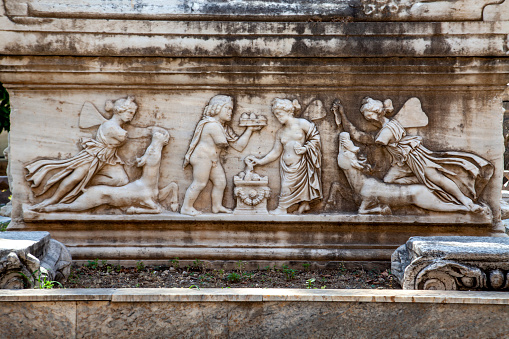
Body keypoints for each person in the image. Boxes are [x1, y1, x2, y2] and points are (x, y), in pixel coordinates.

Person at [334, 97, 493, 213]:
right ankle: (421, 190)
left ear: (377, 113)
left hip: (414, 156)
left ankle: (466, 201)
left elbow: (362, 138)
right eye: (367, 118)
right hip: (402, 163)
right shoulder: (385, 129)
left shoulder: (387, 131)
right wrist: (342, 115)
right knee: (389, 183)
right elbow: (359, 135)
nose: (369, 120)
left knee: (435, 177)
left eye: (369, 116)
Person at [26, 96, 138, 211]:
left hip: (109, 158)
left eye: (133, 113)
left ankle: (88, 184)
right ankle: (52, 200)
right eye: (130, 112)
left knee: (121, 180)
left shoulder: (115, 126)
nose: (131, 116)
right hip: (94, 156)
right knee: (75, 178)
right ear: (120, 110)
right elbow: (128, 136)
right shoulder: (111, 127)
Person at [181, 95, 261, 216]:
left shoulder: (222, 127)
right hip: (202, 158)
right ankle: (186, 207)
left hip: (213, 159)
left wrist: (249, 129)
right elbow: (222, 142)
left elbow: (239, 146)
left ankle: (217, 206)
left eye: (231, 109)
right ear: (217, 108)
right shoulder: (212, 124)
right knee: (200, 183)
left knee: (220, 182)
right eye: (227, 108)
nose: (230, 112)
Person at [247, 98, 322, 215]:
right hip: (286, 167)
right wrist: (260, 161)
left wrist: (305, 148)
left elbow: (315, 138)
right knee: (286, 185)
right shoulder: (280, 132)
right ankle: (304, 204)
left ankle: (282, 208)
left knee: (286, 186)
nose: (277, 117)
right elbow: (276, 152)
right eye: (275, 114)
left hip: (301, 164)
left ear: (288, 111)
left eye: (279, 113)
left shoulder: (302, 123)